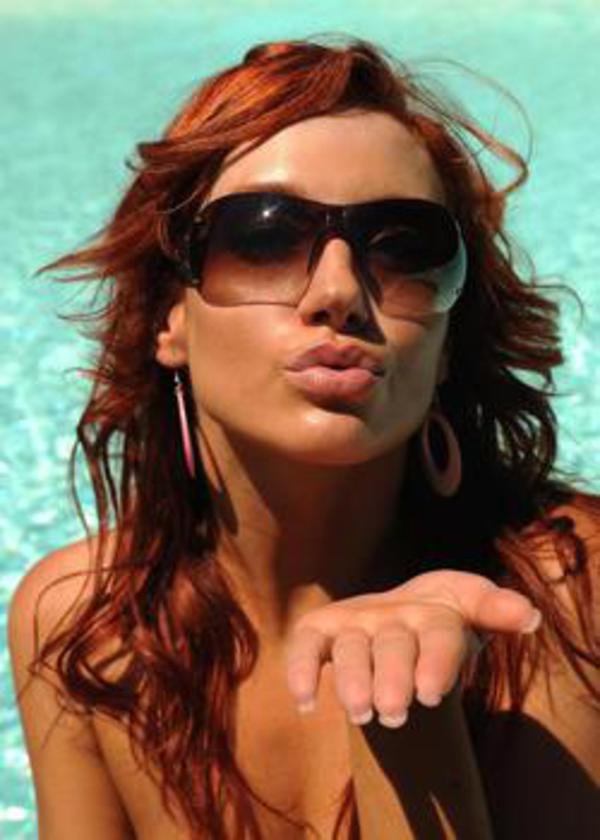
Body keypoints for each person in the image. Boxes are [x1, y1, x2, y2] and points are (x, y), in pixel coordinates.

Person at [8, 34, 600, 840]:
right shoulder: (86, 623)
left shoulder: (558, 594)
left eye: (404, 250)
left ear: (446, 344)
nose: (337, 292)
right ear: (168, 318)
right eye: (262, 238)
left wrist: (407, 720)